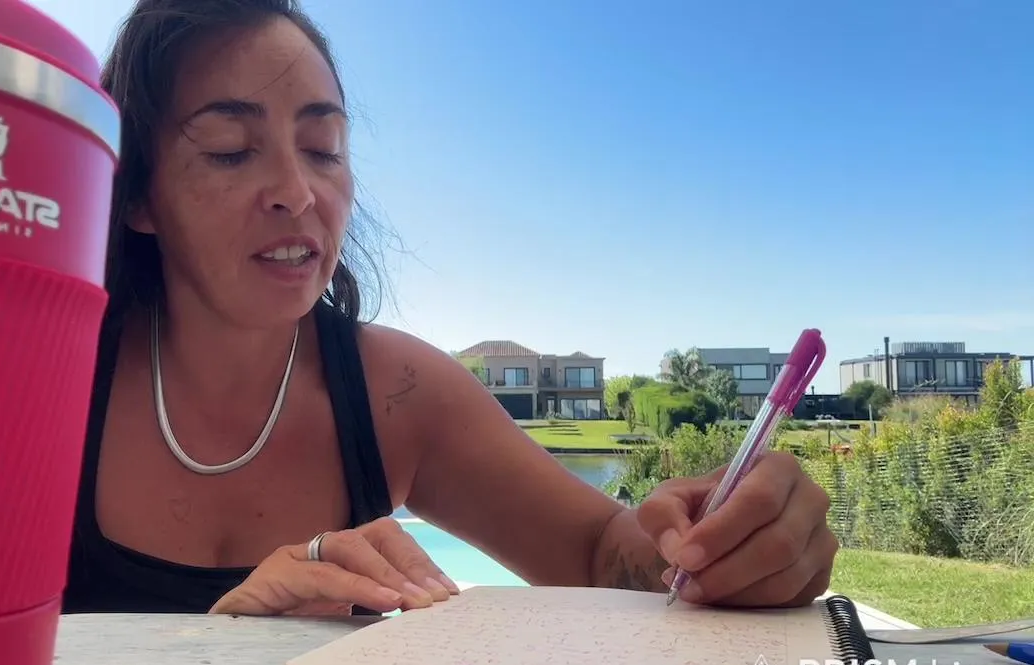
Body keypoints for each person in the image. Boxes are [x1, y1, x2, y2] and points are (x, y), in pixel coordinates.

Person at [62, 0, 839, 617]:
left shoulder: (396, 392)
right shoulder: (47, 378)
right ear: (136, 196)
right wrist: (220, 641)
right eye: (230, 149)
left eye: (324, 149)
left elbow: (599, 551)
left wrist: (714, 544)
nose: (298, 193)